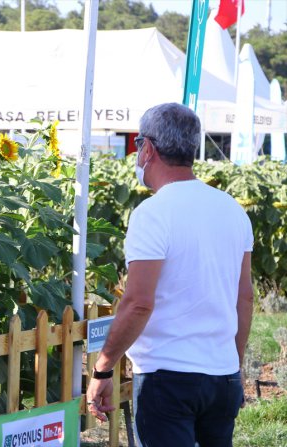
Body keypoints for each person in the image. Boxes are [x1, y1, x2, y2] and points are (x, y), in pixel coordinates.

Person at [85, 103, 254, 447]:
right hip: (222, 375)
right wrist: (232, 366)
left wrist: (103, 368)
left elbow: (137, 304)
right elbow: (245, 297)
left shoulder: (152, 213)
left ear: (148, 149)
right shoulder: (232, 210)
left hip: (168, 378)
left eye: (137, 146)